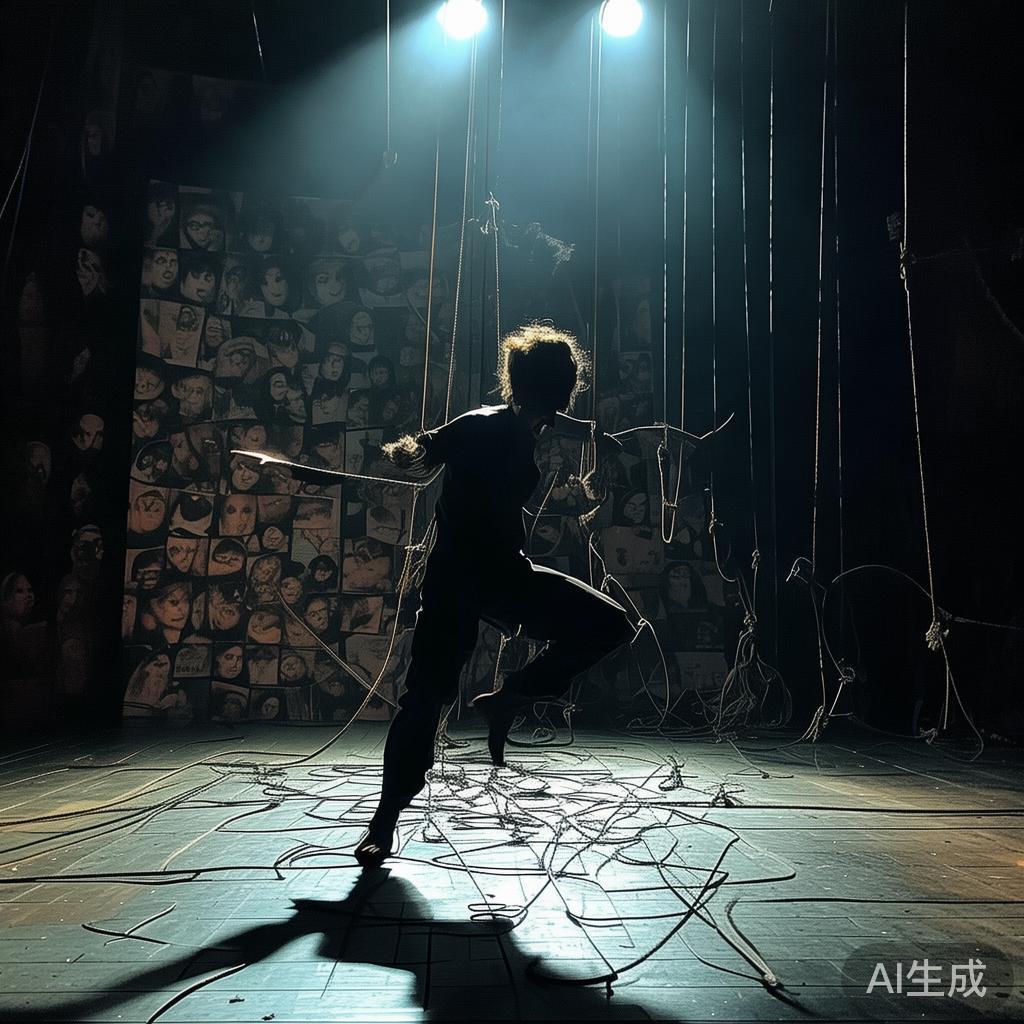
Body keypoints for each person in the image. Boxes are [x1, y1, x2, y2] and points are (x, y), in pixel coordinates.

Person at [354, 323, 635, 868]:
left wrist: (591, 433)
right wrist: (404, 452)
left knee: (611, 624)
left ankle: (508, 697)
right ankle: (383, 822)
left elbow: (547, 417)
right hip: (456, 582)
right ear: (560, 386)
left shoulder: (533, 419)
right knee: (425, 700)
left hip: (506, 575)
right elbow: (425, 447)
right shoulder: (483, 424)